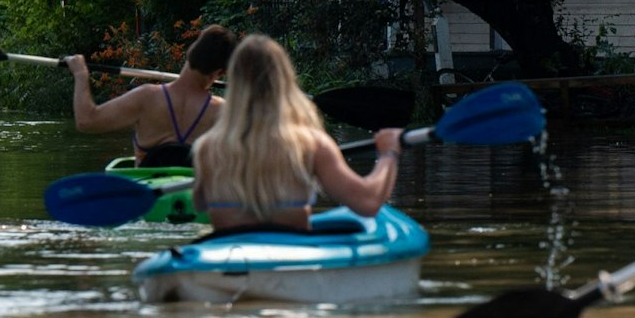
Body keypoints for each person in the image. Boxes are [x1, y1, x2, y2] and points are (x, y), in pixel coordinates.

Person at [190, 33, 403, 231]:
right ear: (285, 81)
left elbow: (199, 205)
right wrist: (388, 153)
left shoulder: (206, 148)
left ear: (234, 84)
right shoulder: (310, 144)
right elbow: (368, 203)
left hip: (227, 260)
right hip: (291, 259)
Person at [64, 25, 237, 167]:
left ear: (190, 51)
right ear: (220, 72)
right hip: (194, 200)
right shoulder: (221, 110)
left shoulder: (147, 97)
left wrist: (80, 74)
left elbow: (86, 120)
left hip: (148, 199)